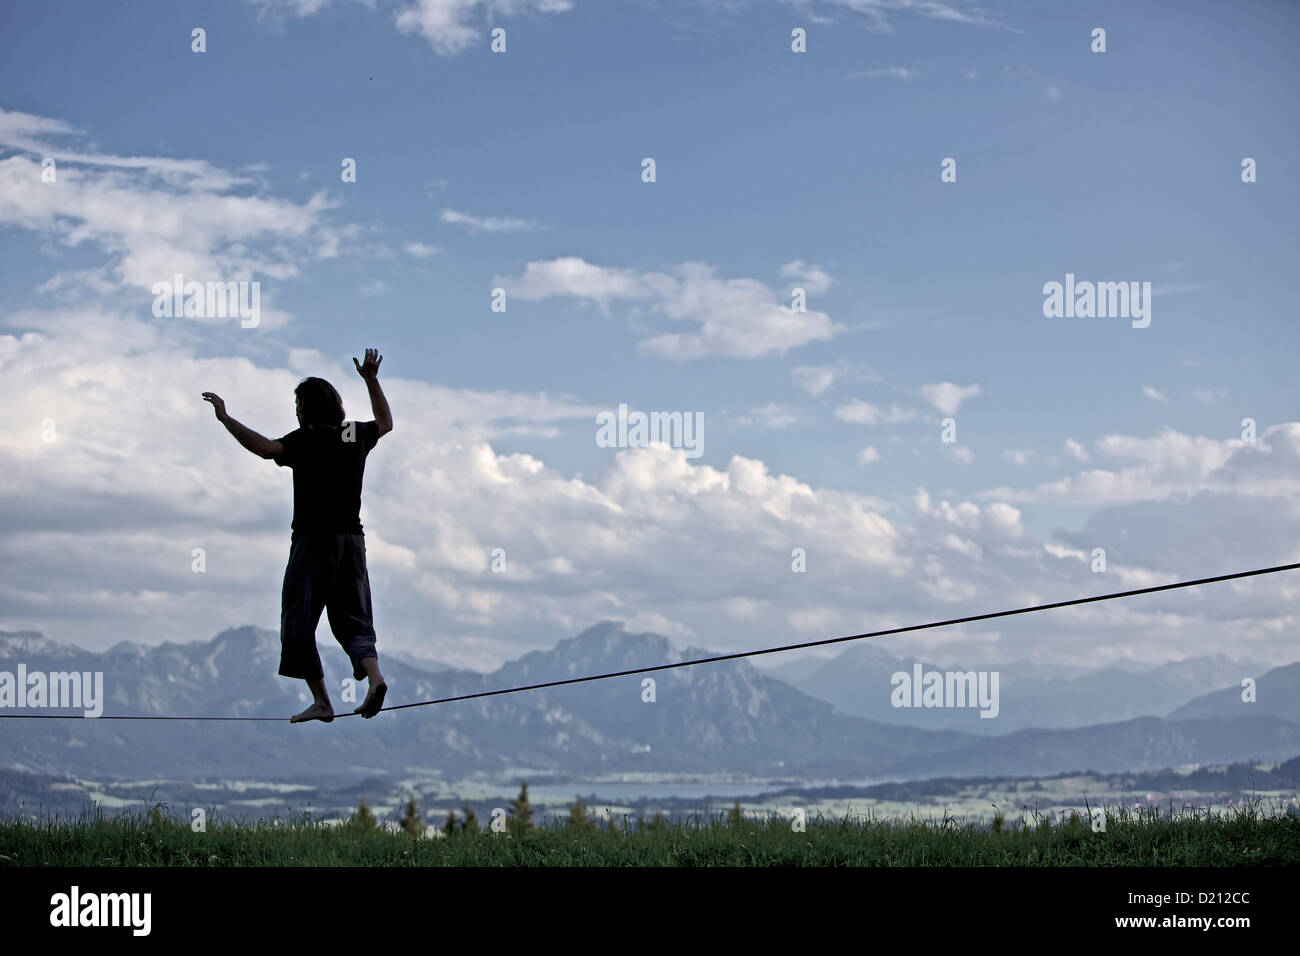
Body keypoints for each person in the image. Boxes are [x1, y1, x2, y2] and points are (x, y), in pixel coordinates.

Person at [202, 348, 392, 722]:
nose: (296, 412)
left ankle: (322, 700)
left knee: (298, 620)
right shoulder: (351, 433)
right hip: (352, 542)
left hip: (313, 542)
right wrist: (371, 379)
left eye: (298, 405)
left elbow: (264, 448)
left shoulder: (305, 439)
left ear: (306, 410)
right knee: (355, 617)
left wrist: (225, 418)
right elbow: (384, 423)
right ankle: (375, 677)